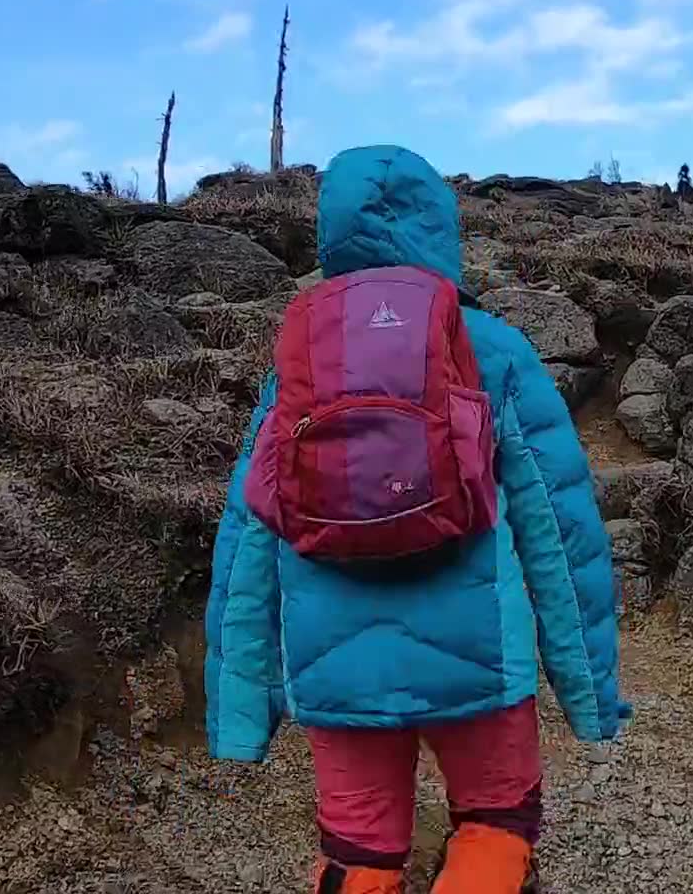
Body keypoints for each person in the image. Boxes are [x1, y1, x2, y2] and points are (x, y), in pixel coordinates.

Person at [204, 144, 628, 894]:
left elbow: (247, 539)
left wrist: (243, 707)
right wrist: (588, 690)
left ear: (331, 234)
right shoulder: (492, 348)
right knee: (496, 828)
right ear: (442, 228)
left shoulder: (297, 363)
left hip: (334, 671)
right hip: (481, 661)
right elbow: (561, 532)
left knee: (358, 855)